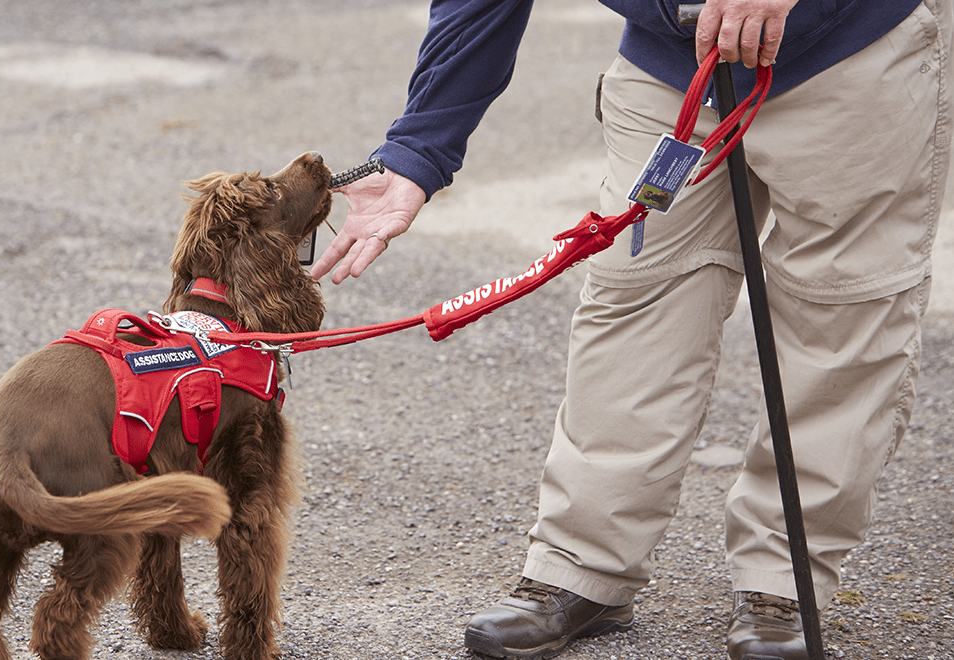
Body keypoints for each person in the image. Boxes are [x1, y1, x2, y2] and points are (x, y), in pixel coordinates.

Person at [311, 0, 952, 659]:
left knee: (841, 318)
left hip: (850, 48)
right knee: (635, 296)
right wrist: (421, 144)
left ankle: (784, 578)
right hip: (673, 65)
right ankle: (582, 565)